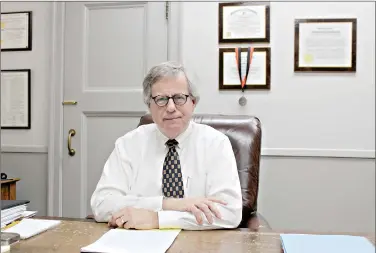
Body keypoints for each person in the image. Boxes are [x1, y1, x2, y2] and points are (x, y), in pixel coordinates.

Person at [90, 61, 243, 230]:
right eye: (161, 99)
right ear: (149, 106)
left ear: (193, 102)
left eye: (179, 98)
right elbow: (101, 204)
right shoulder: (128, 144)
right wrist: (168, 204)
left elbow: (229, 213)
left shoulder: (216, 144)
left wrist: (157, 219)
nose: (171, 108)